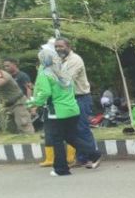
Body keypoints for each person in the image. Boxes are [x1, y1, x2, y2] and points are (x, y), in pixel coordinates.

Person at [30, 46, 102, 176]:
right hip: (72, 109)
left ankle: (61, 169)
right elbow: (72, 89)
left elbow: (45, 92)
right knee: (70, 136)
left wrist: (35, 102)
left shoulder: (45, 73)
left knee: (56, 139)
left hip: (57, 112)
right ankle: (93, 153)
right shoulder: (64, 71)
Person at [52, 38, 96, 163]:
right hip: (68, 99)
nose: (58, 49)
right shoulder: (59, 60)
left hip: (80, 98)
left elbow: (66, 80)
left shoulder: (75, 60)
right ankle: (82, 158)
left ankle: (93, 157)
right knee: (73, 131)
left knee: (82, 128)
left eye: (61, 46)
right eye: (56, 47)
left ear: (69, 46)